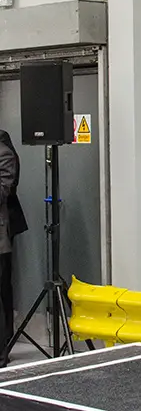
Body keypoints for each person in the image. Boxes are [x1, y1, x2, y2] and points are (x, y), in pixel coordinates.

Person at [0, 130, 26, 368]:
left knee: (1, 291)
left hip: (2, 233)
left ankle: (3, 348)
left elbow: (4, 191)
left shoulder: (3, 152)